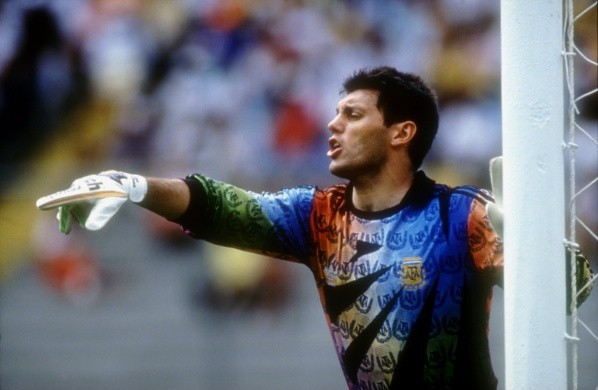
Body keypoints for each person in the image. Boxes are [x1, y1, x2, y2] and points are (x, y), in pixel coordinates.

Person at [35, 66, 507, 388]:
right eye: (336, 112)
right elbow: (223, 206)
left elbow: (569, 292)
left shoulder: (462, 216)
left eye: (353, 114)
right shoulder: (318, 216)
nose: (332, 124)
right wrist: (134, 185)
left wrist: (539, 244)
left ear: (402, 133)